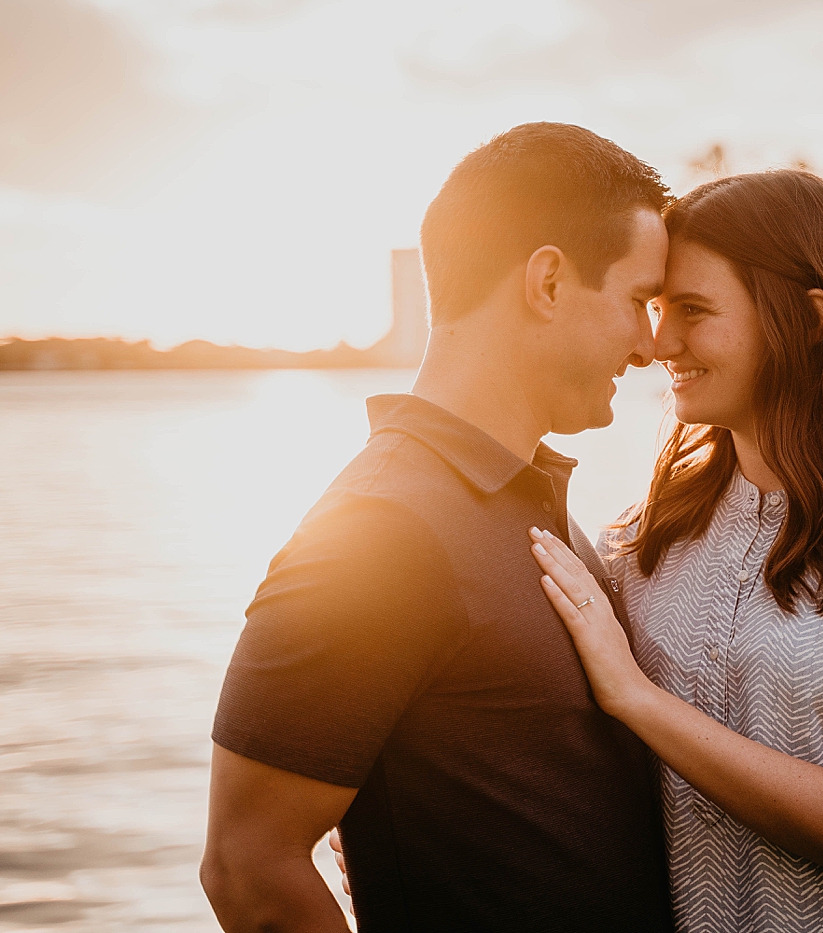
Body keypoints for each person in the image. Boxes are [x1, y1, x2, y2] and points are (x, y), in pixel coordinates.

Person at [200, 123, 676, 932]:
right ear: (549, 282)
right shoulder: (383, 529)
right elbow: (249, 868)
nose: (651, 344)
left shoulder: (523, 497)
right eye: (639, 301)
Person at [524, 170, 823, 932]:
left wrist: (638, 698)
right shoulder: (642, 539)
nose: (658, 342)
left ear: (810, 317)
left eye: (693, 310)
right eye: (655, 308)